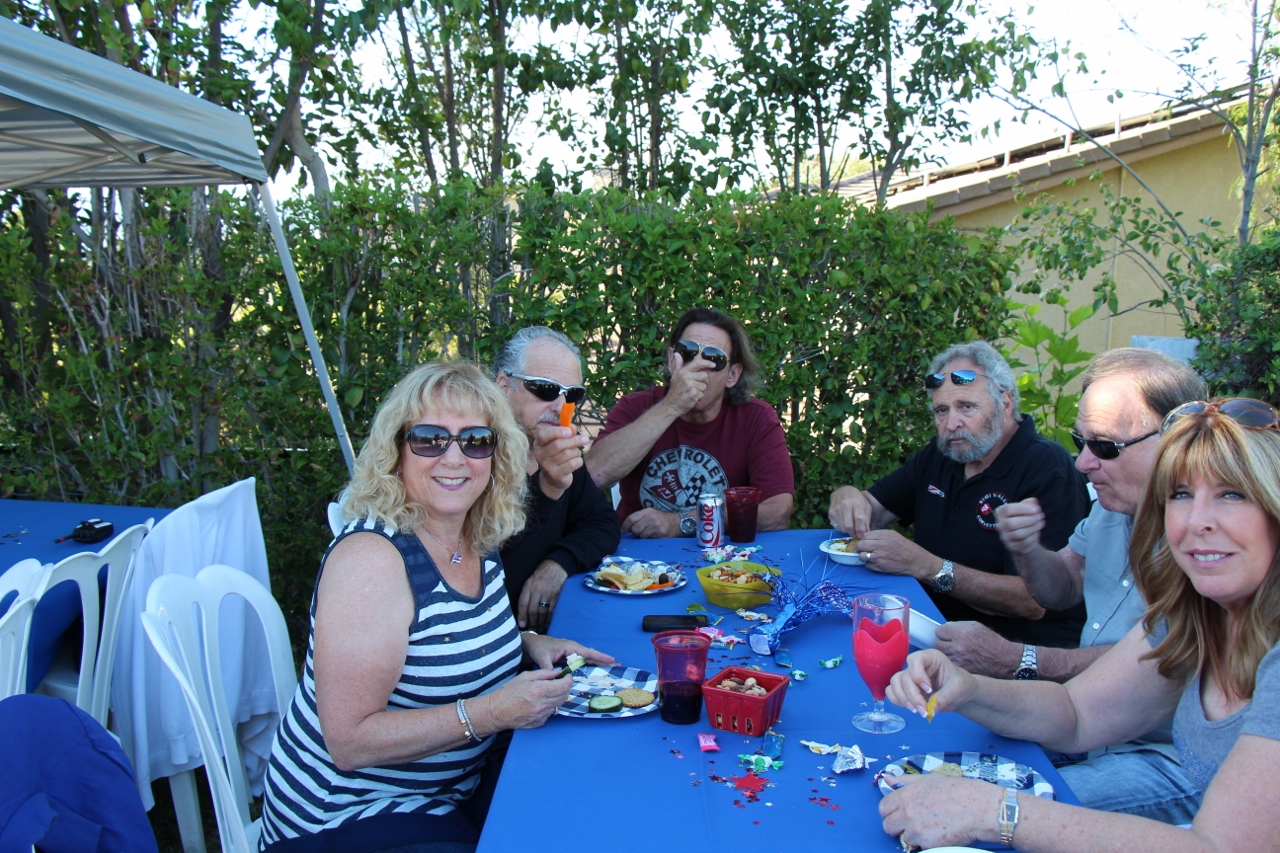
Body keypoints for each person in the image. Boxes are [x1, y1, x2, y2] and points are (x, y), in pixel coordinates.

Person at [881, 397, 1280, 852]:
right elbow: (1077, 714)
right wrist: (967, 688)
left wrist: (996, 812)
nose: (1198, 521)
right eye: (1181, 495)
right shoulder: (1195, 615)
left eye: (1232, 494)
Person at [258, 361, 614, 853]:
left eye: (475, 441)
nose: (454, 458)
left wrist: (528, 642)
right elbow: (350, 741)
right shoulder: (372, 560)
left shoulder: (475, 535)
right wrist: (492, 712)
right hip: (347, 816)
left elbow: (443, 639)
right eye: (429, 439)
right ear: (396, 451)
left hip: (447, 795)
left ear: (497, 455)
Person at [938, 349, 1206, 822]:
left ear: (1178, 439)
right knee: (941, 762)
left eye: (1105, 446)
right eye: (1080, 441)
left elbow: (1159, 662)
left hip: (1173, 757)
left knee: (995, 813)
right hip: (1092, 723)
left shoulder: (1210, 544)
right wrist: (1027, 549)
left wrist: (1014, 659)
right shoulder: (1113, 506)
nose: (1082, 463)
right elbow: (1061, 591)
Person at [828, 341, 1090, 647]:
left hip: (1012, 649)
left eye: (966, 406)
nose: (952, 424)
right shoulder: (944, 454)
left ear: (1005, 403)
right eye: (942, 410)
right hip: (928, 624)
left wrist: (928, 566)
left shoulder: (1046, 467)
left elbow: (1034, 602)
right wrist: (847, 496)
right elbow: (874, 509)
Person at [587, 308, 794, 538]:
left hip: (722, 553)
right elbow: (594, 476)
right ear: (671, 360)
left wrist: (683, 522)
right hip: (639, 550)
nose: (698, 366)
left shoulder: (755, 418)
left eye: (713, 358)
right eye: (687, 353)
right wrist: (671, 406)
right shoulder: (635, 407)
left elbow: (778, 511)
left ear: (732, 375)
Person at [494, 327, 621, 633]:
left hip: (554, 627)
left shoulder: (556, 451)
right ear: (503, 386)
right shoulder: (472, 454)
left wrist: (558, 563)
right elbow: (485, 560)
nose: (561, 406)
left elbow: (602, 522)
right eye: (546, 389)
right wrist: (547, 489)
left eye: (572, 394)